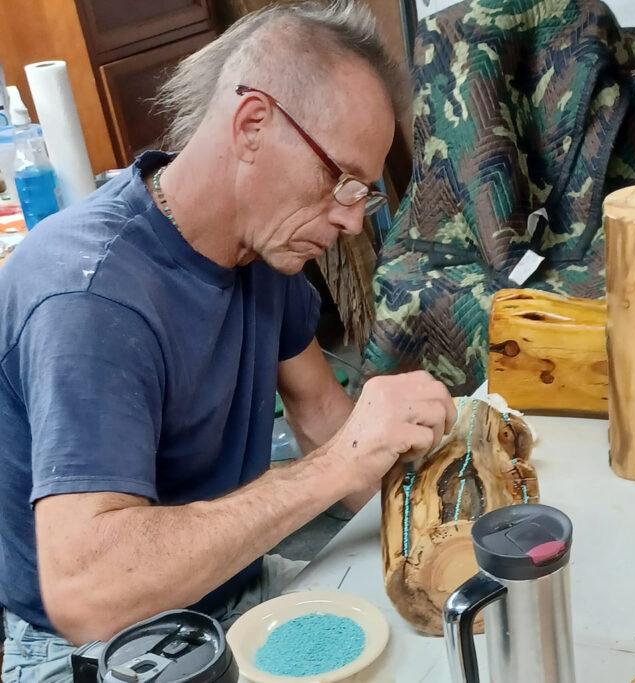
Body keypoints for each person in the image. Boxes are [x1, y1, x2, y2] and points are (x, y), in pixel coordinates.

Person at [0, 2, 454, 680]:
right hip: (101, 645)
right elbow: (85, 591)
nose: (353, 221)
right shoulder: (91, 297)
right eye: (343, 181)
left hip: (228, 584)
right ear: (251, 125)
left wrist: (441, 511)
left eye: (363, 193)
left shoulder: (262, 248)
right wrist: (340, 465)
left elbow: (321, 416)